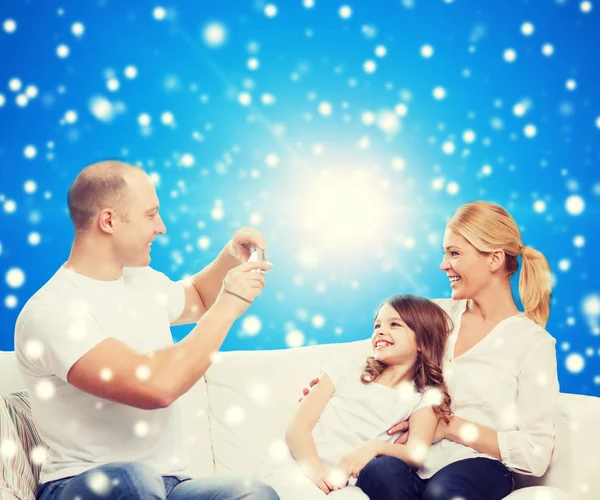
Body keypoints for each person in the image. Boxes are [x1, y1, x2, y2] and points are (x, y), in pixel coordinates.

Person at [14, 161, 279, 500]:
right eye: (151, 215)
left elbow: (198, 296)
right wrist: (230, 303)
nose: (162, 227)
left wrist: (231, 256)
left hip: (169, 485)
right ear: (108, 220)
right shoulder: (52, 312)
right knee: (132, 480)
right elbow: (157, 387)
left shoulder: (142, 281)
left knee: (253, 494)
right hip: (84, 484)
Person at [301, 202, 559, 500]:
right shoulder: (437, 314)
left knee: (442, 492)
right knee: (378, 472)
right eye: (445, 252)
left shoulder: (532, 343)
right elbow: (376, 352)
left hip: (478, 466)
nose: (443, 264)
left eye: (455, 253)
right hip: (411, 457)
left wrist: (449, 426)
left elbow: (536, 454)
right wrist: (329, 387)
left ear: (494, 259)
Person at [255, 295, 454, 499]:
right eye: (377, 326)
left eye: (394, 324)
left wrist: (375, 448)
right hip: (298, 465)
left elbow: (415, 453)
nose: (380, 331)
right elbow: (298, 427)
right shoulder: (345, 368)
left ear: (422, 341)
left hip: (344, 486)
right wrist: (317, 474)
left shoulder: (423, 397)